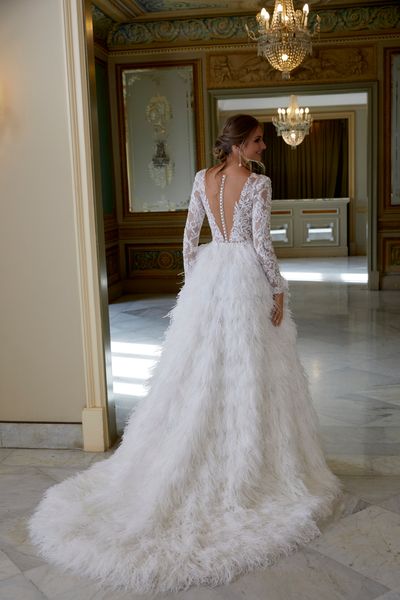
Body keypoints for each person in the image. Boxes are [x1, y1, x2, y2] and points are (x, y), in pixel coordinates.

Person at [29, 114, 343, 594]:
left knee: (201, 367)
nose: (265, 147)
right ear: (239, 144)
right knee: (248, 367)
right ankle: (244, 456)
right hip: (244, 276)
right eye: (259, 140)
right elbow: (261, 244)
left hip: (212, 270)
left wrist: (196, 280)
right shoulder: (257, 185)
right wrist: (278, 290)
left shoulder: (202, 178)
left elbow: (188, 236)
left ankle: (204, 437)